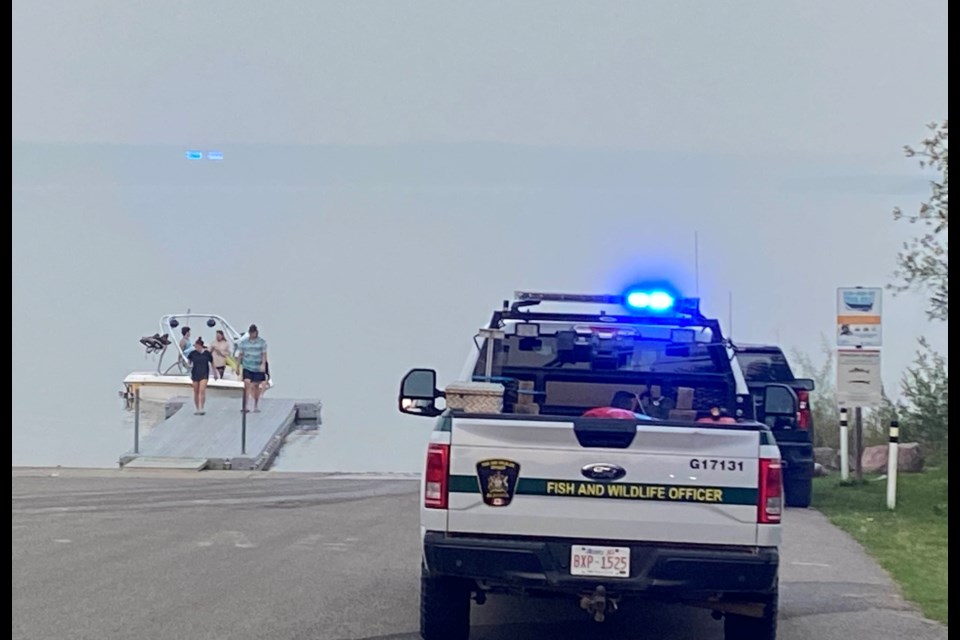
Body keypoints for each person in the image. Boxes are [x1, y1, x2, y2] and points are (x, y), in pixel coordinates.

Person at [237, 324, 268, 413]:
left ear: (256, 332)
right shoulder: (244, 343)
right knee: (247, 384)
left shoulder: (262, 342)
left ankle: (256, 404)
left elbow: (264, 354)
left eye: (253, 332)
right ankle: (245, 406)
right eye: (251, 333)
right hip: (247, 366)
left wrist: (263, 365)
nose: (252, 334)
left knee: (256, 387)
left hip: (257, 367)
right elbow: (240, 354)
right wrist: (238, 366)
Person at [187, 337, 217, 415]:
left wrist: (215, 373)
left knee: (202, 390)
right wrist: (188, 366)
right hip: (195, 373)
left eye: (196, 346)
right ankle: (197, 408)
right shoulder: (193, 354)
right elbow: (189, 362)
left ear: (200, 346)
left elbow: (212, 363)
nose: (195, 348)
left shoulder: (207, 354)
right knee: (196, 391)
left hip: (204, 373)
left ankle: (201, 407)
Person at [582, 390, 653, 420]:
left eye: (630, 401)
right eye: (626, 400)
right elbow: (652, 421)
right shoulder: (615, 412)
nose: (630, 403)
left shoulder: (593, 413)